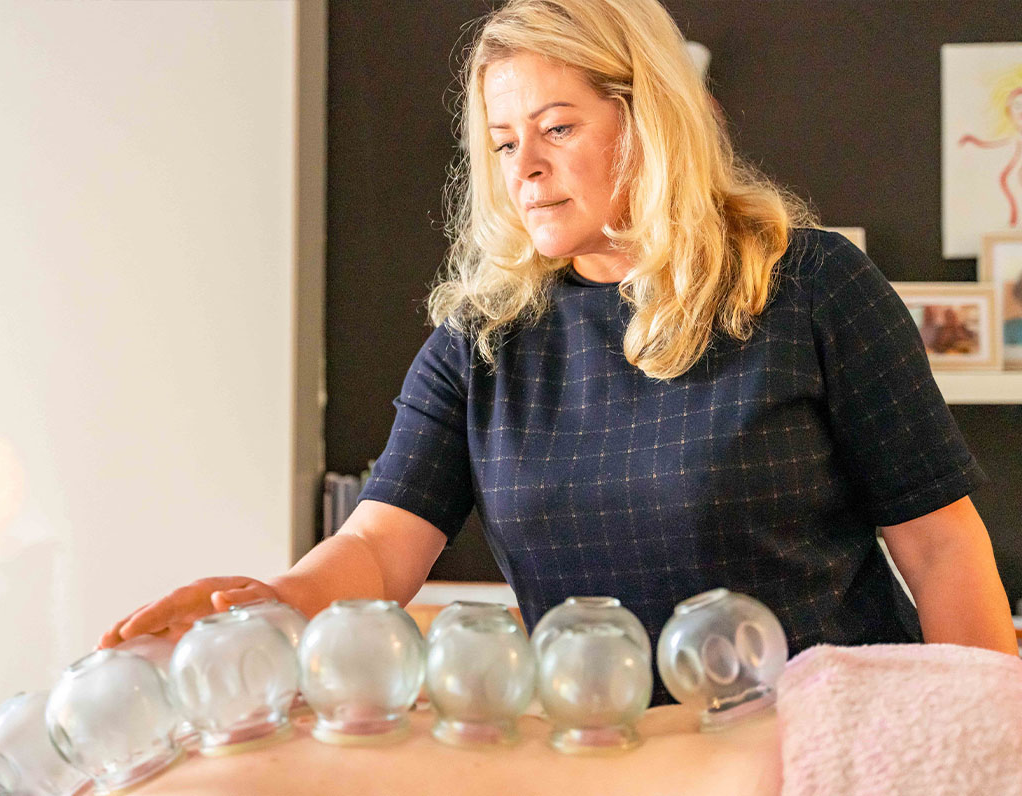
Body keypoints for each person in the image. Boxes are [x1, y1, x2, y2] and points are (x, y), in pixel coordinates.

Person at [101, 0, 1017, 703]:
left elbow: (940, 546)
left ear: (647, 118)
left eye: (558, 127)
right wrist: (277, 599)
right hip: (606, 755)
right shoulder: (482, 340)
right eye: (504, 142)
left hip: (824, 745)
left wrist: (983, 740)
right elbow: (379, 545)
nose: (525, 168)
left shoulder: (809, 284)